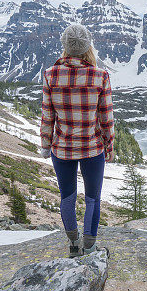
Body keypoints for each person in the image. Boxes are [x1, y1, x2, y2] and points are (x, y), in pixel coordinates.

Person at [40, 24, 114, 257]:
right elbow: (106, 117)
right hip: (93, 148)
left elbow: (47, 115)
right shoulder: (100, 75)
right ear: (87, 46)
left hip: (61, 149)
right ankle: (90, 247)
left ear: (65, 46)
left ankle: (73, 245)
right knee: (93, 198)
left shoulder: (50, 74)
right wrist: (109, 146)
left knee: (67, 197)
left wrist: (45, 144)